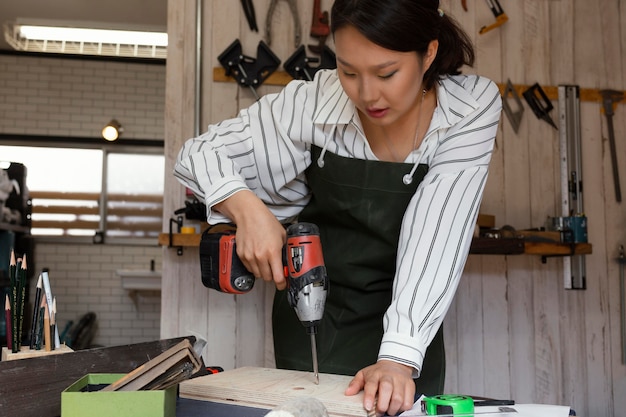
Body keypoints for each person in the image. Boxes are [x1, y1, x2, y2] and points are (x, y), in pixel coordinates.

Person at [174, 0, 502, 415]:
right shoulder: (315, 99)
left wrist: (399, 357)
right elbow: (197, 153)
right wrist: (247, 209)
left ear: (429, 53)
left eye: (386, 73)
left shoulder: (469, 108)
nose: (366, 94)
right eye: (349, 71)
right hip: (313, 316)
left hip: (408, 320)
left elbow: (440, 226)